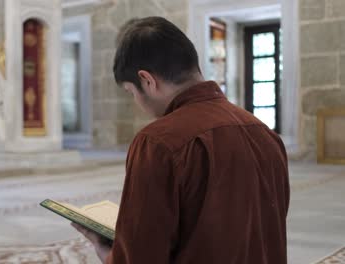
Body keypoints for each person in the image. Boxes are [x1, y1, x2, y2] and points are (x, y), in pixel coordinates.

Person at [72, 16, 290, 264]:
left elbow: (141, 257)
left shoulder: (158, 142)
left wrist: (108, 254)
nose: (137, 103)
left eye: (131, 93)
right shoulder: (264, 132)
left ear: (147, 80)